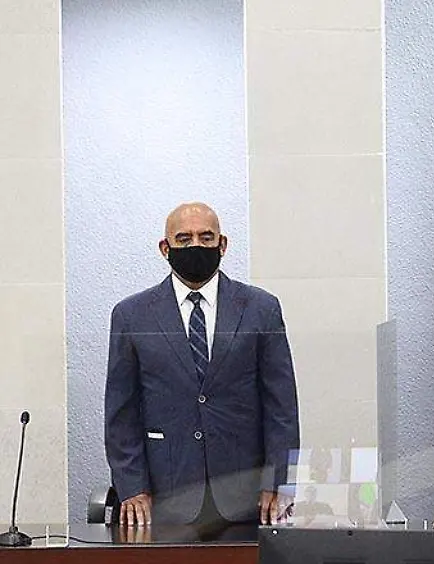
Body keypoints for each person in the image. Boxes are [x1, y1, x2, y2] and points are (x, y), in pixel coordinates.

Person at [105, 202, 299, 532]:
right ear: (165, 248)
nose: (196, 245)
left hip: (247, 499)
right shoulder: (131, 315)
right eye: (184, 239)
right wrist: (133, 487)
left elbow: (281, 407)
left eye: (206, 237)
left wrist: (279, 481)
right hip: (164, 499)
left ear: (222, 244)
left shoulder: (261, 309)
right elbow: (121, 415)